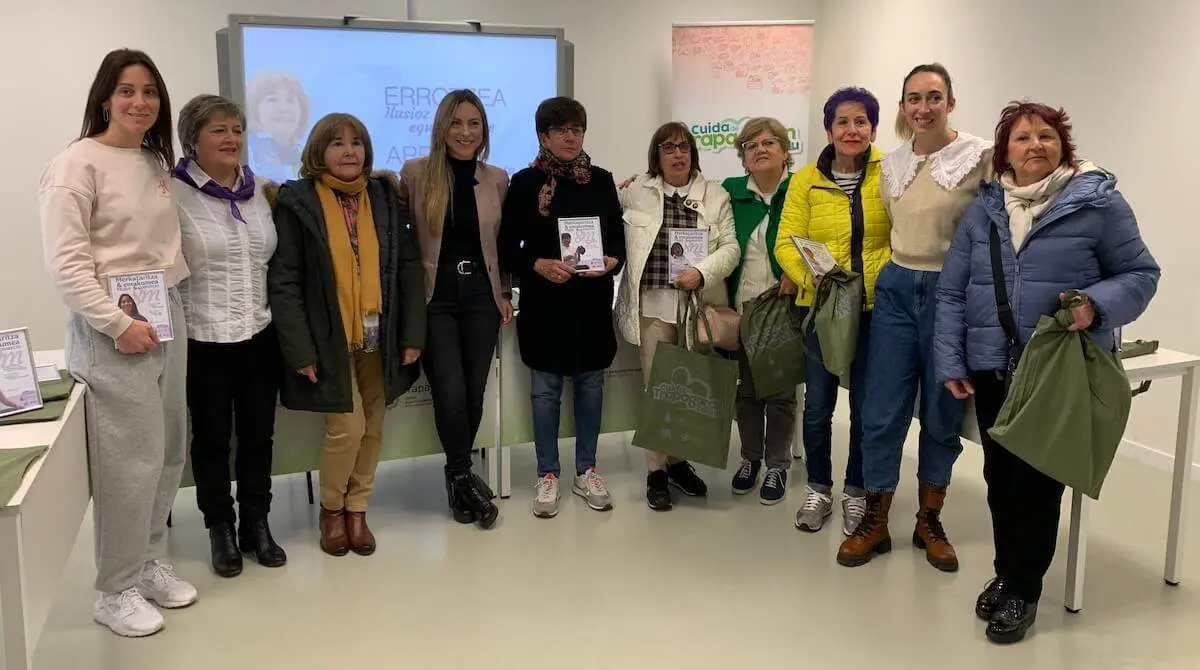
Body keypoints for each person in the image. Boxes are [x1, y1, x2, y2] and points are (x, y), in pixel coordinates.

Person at [936, 101, 1159, 643]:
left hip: (1055, 369)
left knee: (1037, 484)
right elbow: (952, 290)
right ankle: (1008, 571)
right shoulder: (985, 209)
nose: (1035, 145)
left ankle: (1024, 590)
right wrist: (952, 358)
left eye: (1047, 136)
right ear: (1004, 151)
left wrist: (1096, 306)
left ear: (1063, 145)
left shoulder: (1097, 203)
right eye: (1022, 138)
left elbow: (1140, 272)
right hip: (993, 366)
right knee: (999, 480)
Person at [38, 48, 196, 638]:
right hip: (114, 328)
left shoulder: (155, 161)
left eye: (150, 92)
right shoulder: (76, 165)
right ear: (105, 97)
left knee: (167, 452)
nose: (140, 102)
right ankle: (115, 589)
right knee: (128, 463)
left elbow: (166, 247)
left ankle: (148, 560)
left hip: (165, 313)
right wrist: (116, 323)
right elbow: (67, 265)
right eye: (127, 91)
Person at [837, 64, 993, 572]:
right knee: (882, 407)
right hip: (898, 289)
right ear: (902, 106)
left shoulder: (978, 156)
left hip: (952, 295)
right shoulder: (893, 163)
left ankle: (930, 519)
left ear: (950, 101)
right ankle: (877, 518)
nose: (922, 107)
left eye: (933, 97)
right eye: (912, 98)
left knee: (943, 411)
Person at [268, 113, 425, 556]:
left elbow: (408, 268)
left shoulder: (384, 196)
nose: (348, 151)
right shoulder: (297, 202)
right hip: (328, 339)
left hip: (380, 334)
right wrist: (301, 350)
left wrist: (413, 334)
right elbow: (284, 281)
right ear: (318, 152)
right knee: (348, 428)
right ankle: (332, 511)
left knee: (374, 426)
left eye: (356, 143)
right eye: (337, 143)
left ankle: (359, 510)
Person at [172, 94, 285, 578]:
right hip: (204, 336)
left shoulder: (260, 190)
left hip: (259, 333)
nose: (231, 138)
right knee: (213, 439)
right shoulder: (173, 195)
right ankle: (219, 525)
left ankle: (256, 522)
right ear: (193, 140)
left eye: (237, 129)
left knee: (260, 435)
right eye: (219, 130)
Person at [499, 96, 625, 519]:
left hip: (590, 303)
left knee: (591, 387)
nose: (570, 137)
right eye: (561, 130)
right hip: (544, 305)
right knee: (545, 392)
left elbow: (618, 244)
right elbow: (506, 249)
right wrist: (536, 264)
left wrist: (612, 262)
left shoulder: (602, 181)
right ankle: (548, 473)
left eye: (577, 130)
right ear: (543, 136)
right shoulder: (524, 183)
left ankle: (586, 469)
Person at [776, 88, 891, 534]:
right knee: (819, 405)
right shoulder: (806, 180)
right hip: (821, 310)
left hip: (874, 309)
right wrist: (811, 279)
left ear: (873, 129)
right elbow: (786, 241)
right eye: (842, 122)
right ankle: (819, 488)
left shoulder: (890, 174)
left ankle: (856, 493)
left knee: (865, 408)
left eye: (861, 121)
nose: (851, 130)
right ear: (829, 129)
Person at [398, 90, 512, 529]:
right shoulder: (416, 174)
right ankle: (463, 475)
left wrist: (503, 291)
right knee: (449, 391)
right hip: (436, 298)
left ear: (484, 130)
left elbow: (500, 245)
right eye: (457, 123)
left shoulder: (497, 178)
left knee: (474, 392)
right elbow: (401, 239)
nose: (465, 132)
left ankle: (457, 477)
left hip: (482, 297)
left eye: (474, 124)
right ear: (442, 127)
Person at [615, 121, 739, 511]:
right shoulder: (636, 193)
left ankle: (678, 463)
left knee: (688, 389)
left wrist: (702, 272)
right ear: (657, 155)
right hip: (651, 307)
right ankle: (655, 470)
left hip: (694, 309)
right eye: (668, 147)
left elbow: (731, 247)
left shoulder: (714, 195)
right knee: (657, 389)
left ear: (693, 154)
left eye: (684, 147)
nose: (677, 154)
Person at [720, 116, 798, 506]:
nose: (761, 150)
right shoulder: (731, 192)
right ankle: (750, 459)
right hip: (743, 308)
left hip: (785, 307)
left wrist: (797, 274)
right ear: (743, 158)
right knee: (747, 393)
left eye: (769, 142)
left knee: (781, 393)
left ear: (786, 151)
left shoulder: (801, 190)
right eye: (751, 146)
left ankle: (778, 464)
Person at [245, 70, 309, 183]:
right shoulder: (246, 151)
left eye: (290, 100)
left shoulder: (309, 154)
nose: (283, 108)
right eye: (272, 99)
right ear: (254, 108)